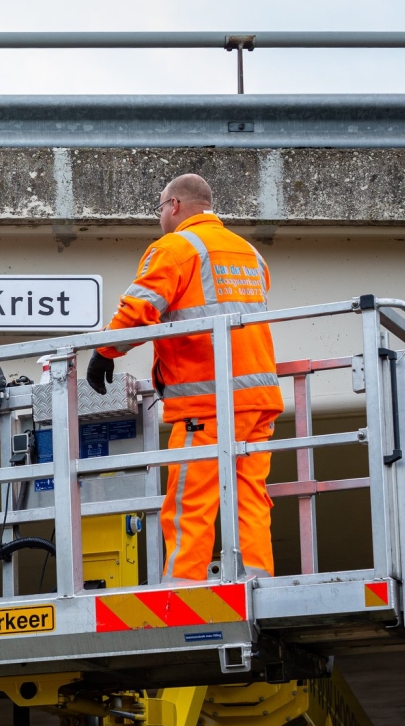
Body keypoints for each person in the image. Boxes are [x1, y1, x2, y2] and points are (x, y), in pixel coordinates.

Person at [86, 174, 282, 582]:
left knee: (188, 500)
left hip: (207, 402)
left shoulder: (175, 248)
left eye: (159, 208)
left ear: (174, 205)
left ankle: (182, 587)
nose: (160, 217)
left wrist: (104, 353)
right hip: (257, 399)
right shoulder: (249, 253)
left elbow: (140, 309)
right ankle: (258, 580)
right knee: (251, 498)